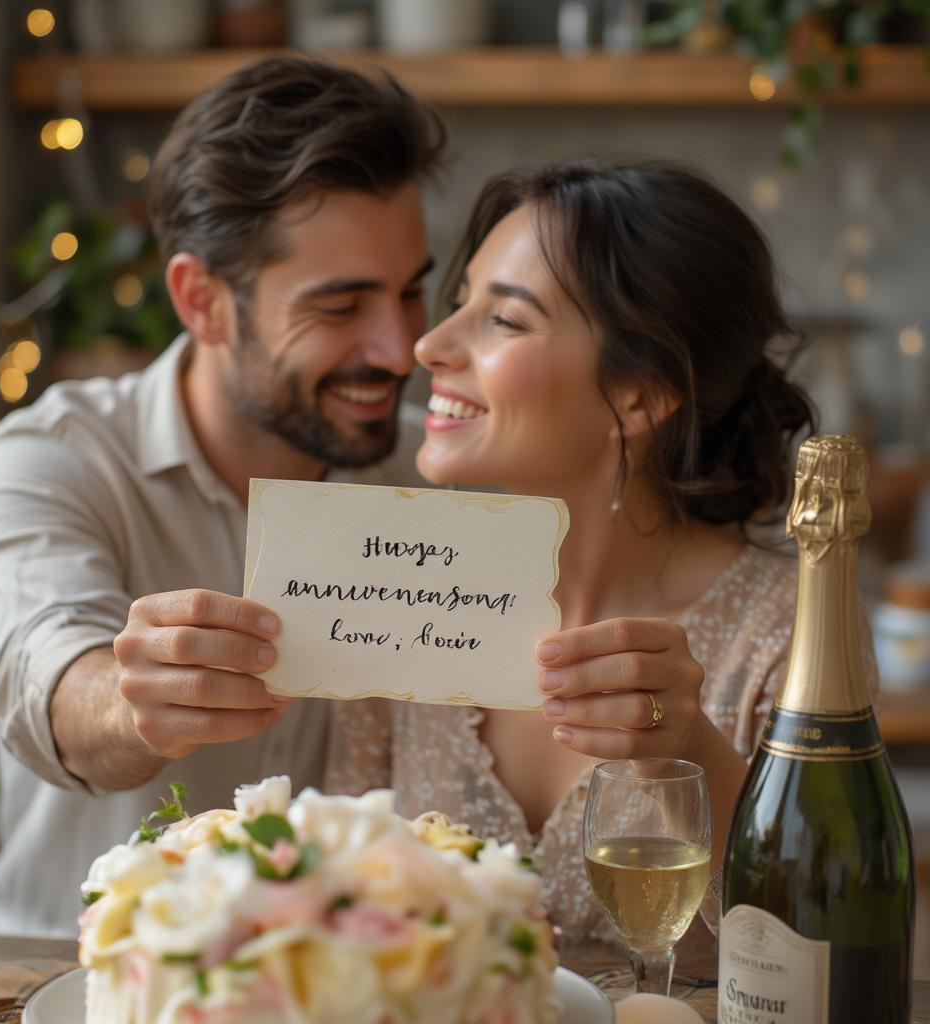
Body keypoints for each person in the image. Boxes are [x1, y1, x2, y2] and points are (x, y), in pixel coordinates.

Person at [326, 158, 858, 962]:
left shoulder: (786, 629)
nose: (429, 345)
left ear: (642, 394)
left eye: (503, 321)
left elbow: (827, 944)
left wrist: (685, 752)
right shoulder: (399, 589)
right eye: (460, 302)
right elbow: (335, 894)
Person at [0, 56, 445, 937]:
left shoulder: (438, 475)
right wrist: (131, 698)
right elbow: (46, 679)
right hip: (69, 977)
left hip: (342, 984)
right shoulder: (49, 461)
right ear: (202, 301)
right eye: (341, 307)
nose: (401, 348)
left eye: (411, 291)